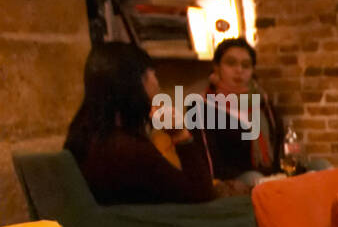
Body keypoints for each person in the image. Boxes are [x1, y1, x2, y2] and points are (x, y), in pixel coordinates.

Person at [65, 43, 215, 205]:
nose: (157, 84)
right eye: (153, 74)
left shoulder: (85, 138)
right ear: (137, 81)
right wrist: (181, 135)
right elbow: (202, 197)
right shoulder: (128, 151)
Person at [195, 38, 284, 183]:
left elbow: (280, 149)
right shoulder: (202, 107)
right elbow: (209, 163)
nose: (239, 70)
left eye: (246, 65)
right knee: (256, 179)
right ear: (217, 67)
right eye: (231, 63)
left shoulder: (263, 104)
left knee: (318, 166)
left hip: (270, 178)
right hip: (230, 181)